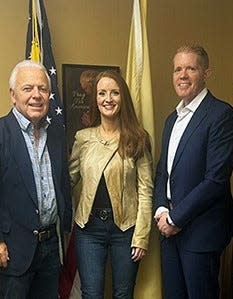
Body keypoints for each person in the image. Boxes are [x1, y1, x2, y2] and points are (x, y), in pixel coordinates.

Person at [0, 60, 72, 299]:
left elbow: (63, 185)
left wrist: (65, 231)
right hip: (11, 251)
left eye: (43, 89)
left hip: (49, 248)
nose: (37, 95)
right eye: (28, 89)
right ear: (13, 95)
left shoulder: (56, 134)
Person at [153, 44, 233, 298]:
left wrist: (175, 218)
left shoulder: (221, 114)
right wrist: (161, 209)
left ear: (206, 73)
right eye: (178, 69)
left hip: (201, 232)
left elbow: (215, 181)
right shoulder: (172, 119)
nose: (183, 75)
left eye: (191, 68)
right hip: (168, 229)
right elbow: (162, 172)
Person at [68, 70, 153, 298]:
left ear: (122, 97)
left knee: (123, 294)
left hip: (125, 229)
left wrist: (142, 235)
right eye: (102, 93)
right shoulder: (83, 138)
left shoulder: (138, 138)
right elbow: (67, 180)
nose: (108, 99)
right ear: (95, 99)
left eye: (114, 93)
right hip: (89, 229)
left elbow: (145, 190)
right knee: (92, 294)